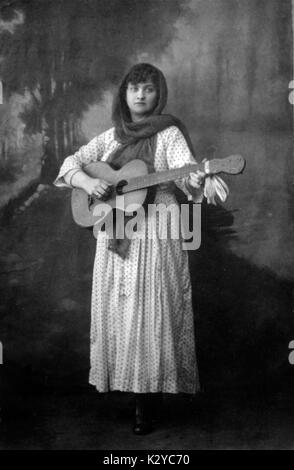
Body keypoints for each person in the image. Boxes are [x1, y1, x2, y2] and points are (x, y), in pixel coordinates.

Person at [54, 63, 208, 435]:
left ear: (160, 95)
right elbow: (69, 164)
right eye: (134, 88)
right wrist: (89, 184)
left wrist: (199, 175)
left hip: (156, 228)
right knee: (122, 306)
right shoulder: (112, 137)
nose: (141, 95)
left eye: (149, 89)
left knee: (151, 306)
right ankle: (128, 386)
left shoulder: (169, 134)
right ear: (124, 94)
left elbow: (185, 174)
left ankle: (147, 402)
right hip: (118, 227)